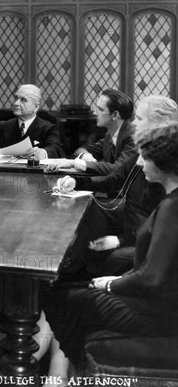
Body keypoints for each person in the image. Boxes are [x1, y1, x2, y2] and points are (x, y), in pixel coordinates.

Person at [33, 123, 178, 387]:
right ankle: (61, 371)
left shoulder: (171, 207)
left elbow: (153, 276)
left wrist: (111, 283)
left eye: (145, 157)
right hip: (155, 301)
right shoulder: (171, 200)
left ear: (163, 162)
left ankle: (49, 366)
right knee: (68, 289)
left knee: (58, 295)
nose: (140, 162)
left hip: (154, 311)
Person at [51, 95, 178, 278]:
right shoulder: (143, 146)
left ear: (159, 124)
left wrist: (120, 240)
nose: (134, 124)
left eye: (140, 119)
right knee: (94, 207)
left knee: (110, 261)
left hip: (145, 235)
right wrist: (77, 182)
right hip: (134, 217)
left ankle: (79, 273)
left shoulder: (166, 162)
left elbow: (158, 223)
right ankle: (72, 264)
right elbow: (114, 178)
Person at [48, 89, 136, 175]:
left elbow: (118, 169)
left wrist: (74, 163)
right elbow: (81, 150)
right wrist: (85, 155)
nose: (95, 113)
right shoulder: (110, 135)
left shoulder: (133, 137)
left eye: (101, 110)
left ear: (115, 115)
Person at [0, 84, 63, 159]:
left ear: (36, 107)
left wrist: (42, 152)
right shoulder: (1, 127)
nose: (16, 103)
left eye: (23, 100)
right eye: (16, 98)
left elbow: (54, 148)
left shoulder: (49, 128)